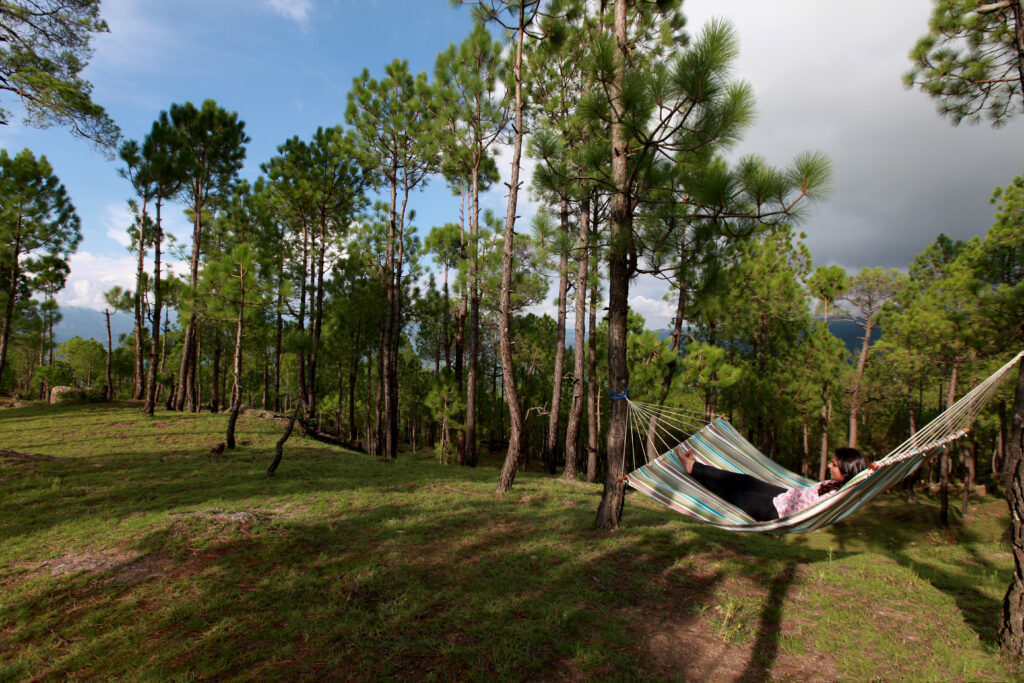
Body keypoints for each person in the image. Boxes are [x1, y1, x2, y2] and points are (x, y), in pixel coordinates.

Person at [675, 445, 871, 522]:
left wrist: (872, 474)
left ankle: (692, 468)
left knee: (734, 492)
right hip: (786, 495)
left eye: (834, 465)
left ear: (847, 472)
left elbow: (860, 484)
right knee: (744, 480)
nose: (829, 465)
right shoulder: (835, 484)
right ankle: (696, 466)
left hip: (778, 512)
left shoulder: (842, 494)